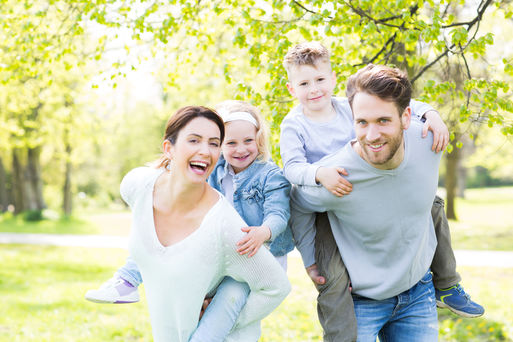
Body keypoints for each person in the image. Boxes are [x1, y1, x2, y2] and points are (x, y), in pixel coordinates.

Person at [281, 42, 483, 341]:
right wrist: (318, 176)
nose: (314, 89)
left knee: (434, 205)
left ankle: (447, 284)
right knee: (332, 279)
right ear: (291, 89)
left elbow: (399, 105)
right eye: (304, 83)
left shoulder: (349, 107)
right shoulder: (295, 125)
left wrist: (433, 114)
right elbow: (293, 174)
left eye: (320, 80)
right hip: (327, 192)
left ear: (333, 78)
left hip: (417, 293)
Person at [86, 103, 293, 341]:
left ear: (259, 140)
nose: (240, 149)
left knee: (226, 303)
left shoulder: (269, 175)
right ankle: (128, 279)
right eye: (230, 143)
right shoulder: (216, 170)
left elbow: (278, 214)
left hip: (255, 249)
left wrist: (264, 232)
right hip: (222, 254)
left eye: (248, 141)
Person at [290, 64, 441, 341]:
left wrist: (432, 112)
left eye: (383, 121)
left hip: (419, 292)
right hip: (362, 302)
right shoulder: (336, 177)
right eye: (362, 122)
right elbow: (297, 202)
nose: (371, 135)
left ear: (406, 117)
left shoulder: (430, 142)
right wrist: (310, 259)